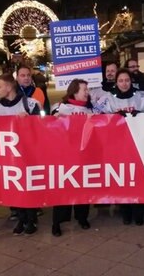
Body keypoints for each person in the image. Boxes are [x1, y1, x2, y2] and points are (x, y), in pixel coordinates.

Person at [94, 68, 144, 225]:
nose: (124, 83)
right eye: (120, 80)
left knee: (138, 177)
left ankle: (139, 211)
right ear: (116, 82)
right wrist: (113, 117)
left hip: (138, 144)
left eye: (127, 80)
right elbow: (98, 120)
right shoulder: (107, 100)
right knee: (122, 178)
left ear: (131, 81)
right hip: (118, 146)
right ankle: (125, 211)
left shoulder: (142, 97)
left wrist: (141, 114)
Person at [0, 73, 41, 235]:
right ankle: (21, 218)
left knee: (28, 186)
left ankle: (31, 219)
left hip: (27, 154)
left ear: (9, 87)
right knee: (14, 187)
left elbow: (42, 128)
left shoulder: (30, 104)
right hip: (7, 156)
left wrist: (30, 119)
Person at [50, 79, 93, 237]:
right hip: (65, 156)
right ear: (75, 91)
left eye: (87, 89)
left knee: (83, 187)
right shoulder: (62, 107)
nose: (87, 92)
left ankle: (82, 218)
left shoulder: (90, 109)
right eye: (84, 90)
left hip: (84, 154)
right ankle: (57, 222)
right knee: (63, 188)